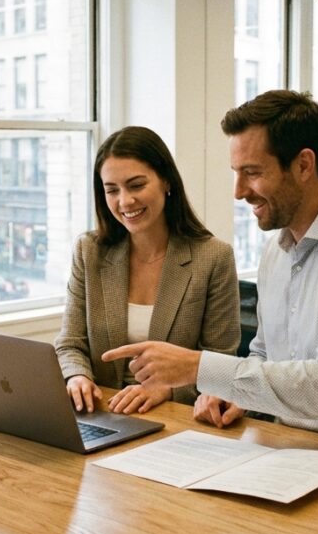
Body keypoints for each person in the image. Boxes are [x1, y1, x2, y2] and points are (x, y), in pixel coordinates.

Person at [100, 91, 318, 452]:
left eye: (252, 173)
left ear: (304, 165)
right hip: (289, 448)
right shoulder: (277, 249)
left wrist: (199, 368)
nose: (239, 192)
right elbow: (264, 354)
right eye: (236, 174)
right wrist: (234, 394)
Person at [54, 126, 240, 416]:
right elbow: (70, 343)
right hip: (102, 412)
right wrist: (77, 376)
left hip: (173, 416)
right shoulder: (89, 251)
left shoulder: (213, 257)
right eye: (112, 190)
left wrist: (167, 388)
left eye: (136, 185)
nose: (125, 201)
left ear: (166, 181)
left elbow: (221, 362)